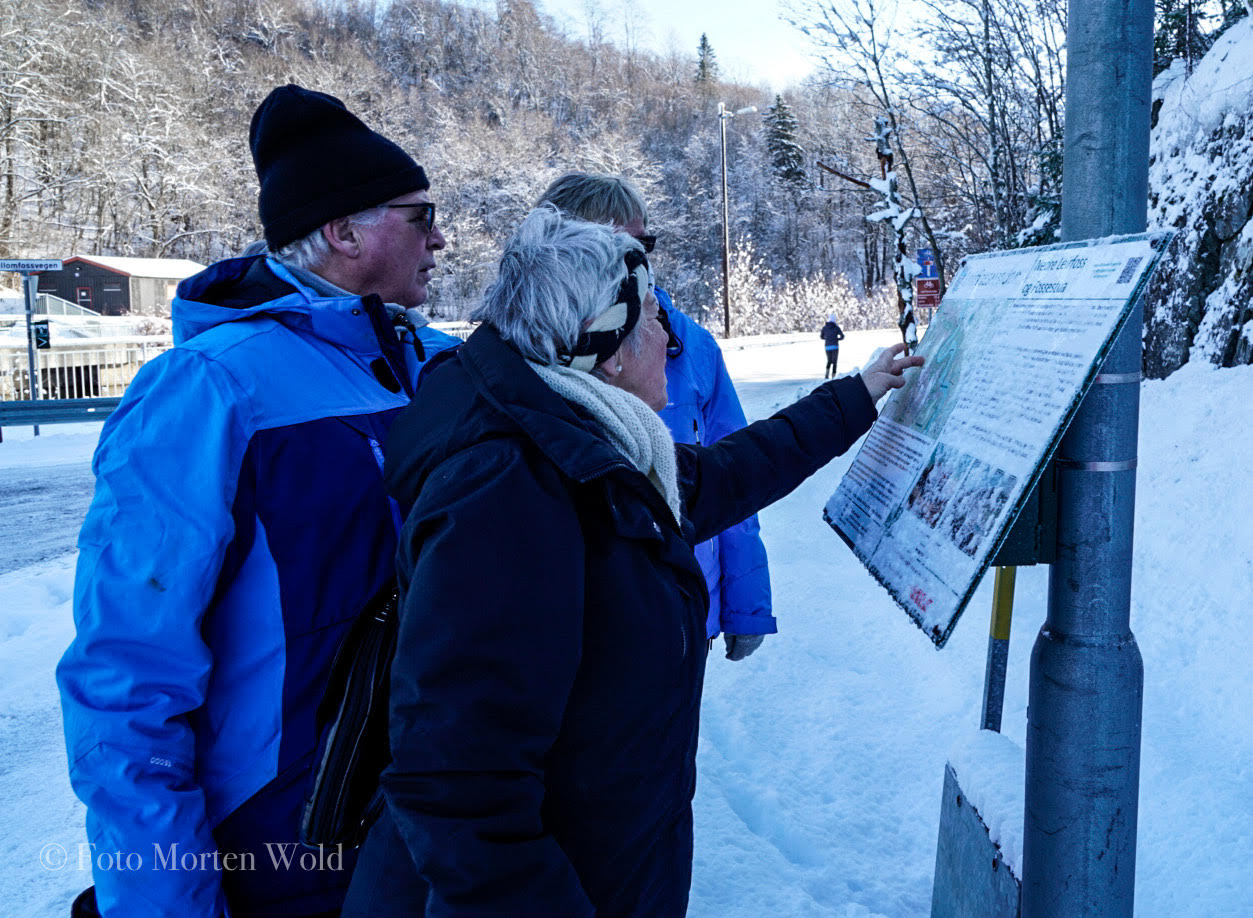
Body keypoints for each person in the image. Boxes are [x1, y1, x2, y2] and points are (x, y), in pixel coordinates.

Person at [340, 207, 922, 917]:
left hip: (606, 867)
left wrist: (854, 396)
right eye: (650, 316)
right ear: (606, 348)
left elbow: (719, 476)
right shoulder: (508, 491)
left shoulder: (581, 446)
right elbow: (459, 787)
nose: (669, 336)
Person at [56, 84, 460, 918]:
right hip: (286, 847)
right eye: (420, 217)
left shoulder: (432, 365)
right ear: (346, 231)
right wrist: (163, 901)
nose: (442, 239)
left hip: (424, 824)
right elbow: (128, 671)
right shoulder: (210, 388)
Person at [537, 172, 773, 661]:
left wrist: (746, 605)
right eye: (618, 246)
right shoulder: (522, 350)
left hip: (686, 607)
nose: (636, 262)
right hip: (579, 625)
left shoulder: (691, 345)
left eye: (643, 244)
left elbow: (732, 477)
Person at [821, 312, 846, 378]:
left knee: (829, 360)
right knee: (835, 361)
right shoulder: (836, 328)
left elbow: (821, 337)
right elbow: (842, 336)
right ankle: (833, 376)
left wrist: (827, 338)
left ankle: (826, 374)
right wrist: (837, 339)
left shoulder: (824, 328)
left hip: (827, 347)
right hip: (835, 346)